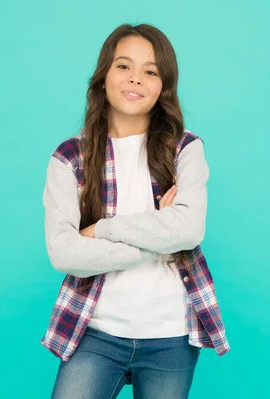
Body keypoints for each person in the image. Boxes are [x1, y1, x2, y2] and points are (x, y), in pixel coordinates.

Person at [40, 23, 230, 399]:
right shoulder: (69, 157)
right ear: (104, 76)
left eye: (151, 71)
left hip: (170, 334)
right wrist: (161, 235)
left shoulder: (185, 150)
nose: (136, 79)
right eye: (124, 66)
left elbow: (189, 231)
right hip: (94, 330)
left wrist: (101, 230)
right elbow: (64, 253)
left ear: (164, 85)